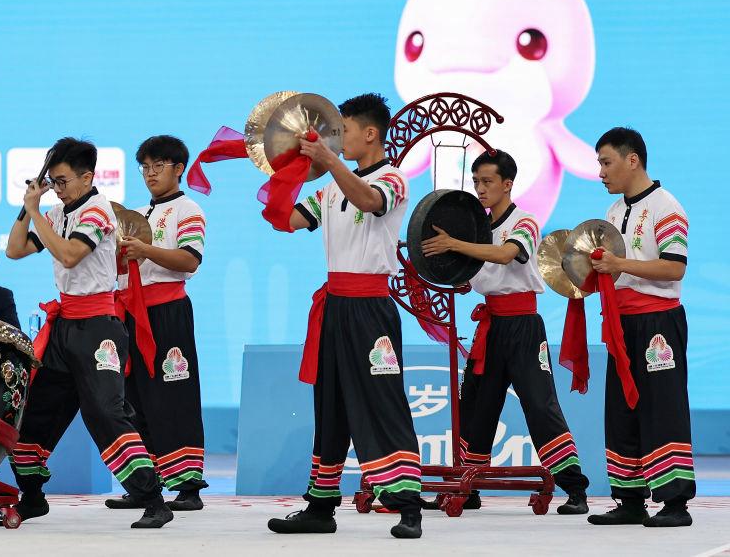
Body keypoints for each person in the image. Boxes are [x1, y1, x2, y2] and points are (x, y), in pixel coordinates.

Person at [265, 93, 423, 540]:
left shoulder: (393, 178)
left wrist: (329, 160)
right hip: (334, 306)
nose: (337, 139)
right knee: (329, 405)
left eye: (344, 130)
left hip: (371, 309)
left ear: (370, 134)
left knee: (383, 401)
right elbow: (288, 221)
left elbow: (370, 201)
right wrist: (282, 162)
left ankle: (408, 505)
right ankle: (320, 506)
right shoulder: (330, 187)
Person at [4, 137, 173, 529]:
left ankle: (153, 500)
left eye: (62, 181)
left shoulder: (98, 211)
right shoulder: (56, 212)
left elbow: (68, 255)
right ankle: (32, 496)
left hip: (99, 328)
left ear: (87, 177)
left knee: (106, 414)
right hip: (63, 327)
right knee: (33, 414)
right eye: (53, 182)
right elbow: (14, 249)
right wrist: (27, 210)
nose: (58, 189)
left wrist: (37, 213)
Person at [421, 149, 589, 515]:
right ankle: (469, 485)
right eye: (476, 182)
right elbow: (474, 272)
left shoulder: (524, 221)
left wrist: (453, 244)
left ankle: (575, 488)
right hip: (491, 326)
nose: (480, 189)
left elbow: (505, 255)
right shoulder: (476, 228)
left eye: (487, 182)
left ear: (507, 184)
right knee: (475, 405)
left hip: (523, 326)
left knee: (540, 405)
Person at [586, 127, 693, 527]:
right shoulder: (613, 212)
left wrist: (618, 264)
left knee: (662, 407)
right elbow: (610, 272)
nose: (601, 172)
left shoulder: (667, 208)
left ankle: (676, 503)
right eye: (599, 163)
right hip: (622, 322)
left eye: (606, 162)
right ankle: (630, 499)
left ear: (632, 160)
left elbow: (674, 268)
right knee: (621, 408)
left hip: (657, 322)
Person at [105, 135, 209, 512]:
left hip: (168, 312)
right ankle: (145, 485)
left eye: (158, 166)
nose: (150, 173)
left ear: (178, 169)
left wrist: (144, 250)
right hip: (131, 313)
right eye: (145, 167)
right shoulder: (134, 214)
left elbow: (190, 260)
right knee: (134, 398)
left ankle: (189, 487)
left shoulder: (188, 210)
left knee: (174, 395)